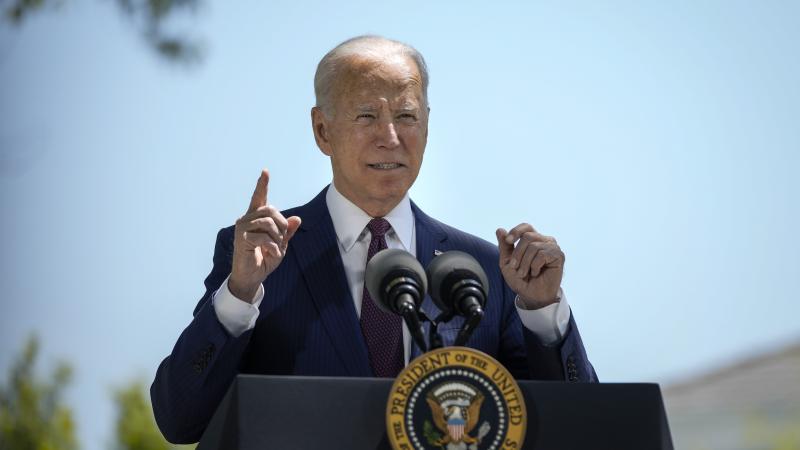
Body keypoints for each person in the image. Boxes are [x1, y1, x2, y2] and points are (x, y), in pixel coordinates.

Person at [151, 35, 596, 444]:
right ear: (322, 131)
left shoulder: (485, 271)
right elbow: (180, 419)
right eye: (367, 116)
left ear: (427, 124)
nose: (390, 138)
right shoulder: (258, 256)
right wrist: (240, 294)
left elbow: (578, 431)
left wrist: (543, 310)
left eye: (406, 117)